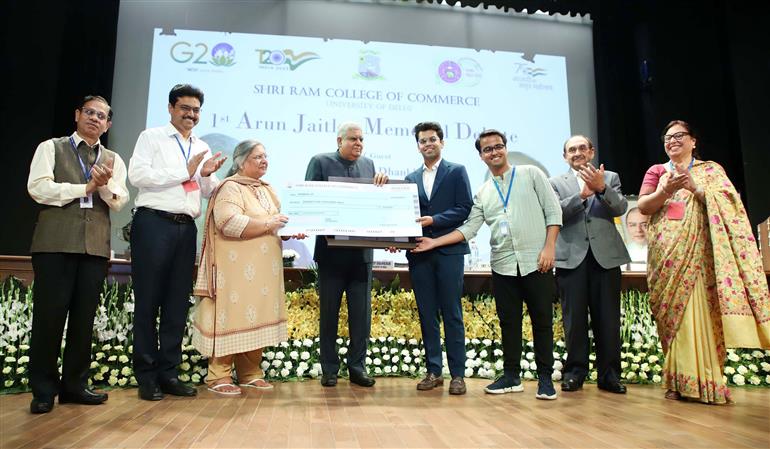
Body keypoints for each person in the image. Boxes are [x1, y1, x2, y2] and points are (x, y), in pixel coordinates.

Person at [413, 129, 562, 400]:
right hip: (503, 264)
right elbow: (469, 228)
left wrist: (549, 247)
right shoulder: (483, 192)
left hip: (536, 261)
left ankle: (544, 379)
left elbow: (553, 211)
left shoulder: (532, 174)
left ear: (505, 148)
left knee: (542, 322)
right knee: (509, 322)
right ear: (481, 156)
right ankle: (511, 376)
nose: (494, 152)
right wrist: (433, 243)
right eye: (488, 149)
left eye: (498, 147)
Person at [638, 119, 770, 404]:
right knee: (673, 314)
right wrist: (666, 190)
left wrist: (696, 187)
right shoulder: (657, 171)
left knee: (699, 310)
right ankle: (675, 381)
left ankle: (708, 380)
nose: (672, 141)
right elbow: (643, 206)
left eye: (679, 136)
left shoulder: (711, 171)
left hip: (700, 256)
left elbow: (732, 207)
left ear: (693, 141)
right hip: (667, 255)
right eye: (667, 137)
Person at [26, 95, 129, 413]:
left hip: (94, 248)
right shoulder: (51, 147)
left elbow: (120, 199)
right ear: (77, 115)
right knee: (49, 319)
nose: (95, 119)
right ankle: (43, 389)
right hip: (55, 244)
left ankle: (75, 385)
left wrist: (100, 186)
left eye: (102, 116)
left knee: (84, 321)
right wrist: (81, 188)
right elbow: (38, 188)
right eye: (90, 112)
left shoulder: (113, 159)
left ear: (108, 124)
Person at [128, 84, 226, 401]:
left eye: (196, 110)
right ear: (171, 108)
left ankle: (168, 373)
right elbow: (137, 176)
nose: (191, 115)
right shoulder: (152, 137)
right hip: (153, 223)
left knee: (175, 304)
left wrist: (208, 174)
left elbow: (207, 190)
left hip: (186, 228)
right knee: (148, 302)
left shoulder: (202, 146)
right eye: (185, 108)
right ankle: (146, 376)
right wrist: (183, 170)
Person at [191, 140, 305, 395]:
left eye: (266, 156)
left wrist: (290, 231)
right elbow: (228, 222)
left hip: (263, 273)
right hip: (234, 272)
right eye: (258, 157)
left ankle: (250, 373)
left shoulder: (267, 189)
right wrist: (269, 223)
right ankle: (218, 376)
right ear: (241, 161)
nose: (264, 161)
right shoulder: (230, 187)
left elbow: (276, 222)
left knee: (257, 317)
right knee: (231, 317)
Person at [305, 122, 388, 388]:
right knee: (329, 314)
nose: (359, 143)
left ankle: (357, 367)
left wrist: (383, 187)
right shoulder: (319, 162)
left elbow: (375, 204)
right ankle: (329, 369)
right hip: (331, 255)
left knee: (361, 316)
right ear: (339, 140)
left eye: (362, 139)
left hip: (361, 256)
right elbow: (309, 199)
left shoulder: (369, 165)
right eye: (353, 138)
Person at [549, 135, 630, 394]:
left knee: (608, 320)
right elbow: (555, 214)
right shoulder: (554, 183)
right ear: (565, 156)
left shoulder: (610, 177)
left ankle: (609, 376)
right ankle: (575, 373)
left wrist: (602, 188)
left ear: (591, 152)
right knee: (574, 321)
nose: (577, 153)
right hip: (570, 258)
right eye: (571, 150)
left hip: (605, 257)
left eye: (582, 148)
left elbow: (620, 208)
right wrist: (583, 195)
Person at [404, 122, 472, 395]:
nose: (428, 144)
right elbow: (405, 216)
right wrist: (397, 238)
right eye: (423, 141)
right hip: (419, 252)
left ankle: (457, 375)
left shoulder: (457, 171)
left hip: (448, 252)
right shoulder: (410, 178)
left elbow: (464, 208)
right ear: (418, 145)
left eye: (433, 139)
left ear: (442, 142)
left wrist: (435, 219)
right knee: (427, 313)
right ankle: (434, 371)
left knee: (452, 313)